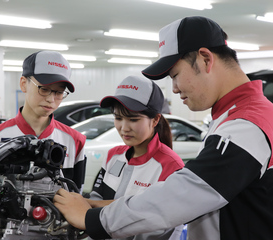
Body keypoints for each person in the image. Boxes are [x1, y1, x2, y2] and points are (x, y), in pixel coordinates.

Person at [53, 16, 273, 240]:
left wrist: (94, 219)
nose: (175, 89)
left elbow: (184, 194)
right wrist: (96, 206)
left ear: (206, 59)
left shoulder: (247, 123)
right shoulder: (234, 116)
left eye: (175, 75)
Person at [86, 75, 184, 240]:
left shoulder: (171, 166)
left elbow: (161, 226)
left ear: (155, 120)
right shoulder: (113, 156)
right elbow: (96, 198)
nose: (124, 128)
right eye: (118, 118)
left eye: (133, 119)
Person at [0, 50, 86, 193]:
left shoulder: (75, 141)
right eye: (44, 89)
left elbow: (77, 194)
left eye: (59, 92)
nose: (51, 100)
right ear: (23, 84)